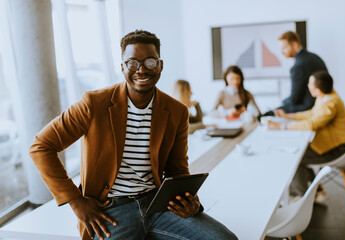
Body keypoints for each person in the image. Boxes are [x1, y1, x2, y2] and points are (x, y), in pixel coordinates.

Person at [29, 30, 237, 240]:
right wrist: (76, 201)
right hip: (110, 210)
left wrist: (191, 202)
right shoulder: (94, 104)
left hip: (158, 204)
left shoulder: (176, 111)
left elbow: (177, 168)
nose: (141, 70)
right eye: (132, 63)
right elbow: (41, 146)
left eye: (149, 62)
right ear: (122, 67)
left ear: (160, 65)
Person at [268, 71, 345, 198]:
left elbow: (313, 123)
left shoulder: (331, 102)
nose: (308, 86)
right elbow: (311, 114)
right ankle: (315, 190)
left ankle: (305, 197)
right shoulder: (326, 96)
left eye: (310, 84)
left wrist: (281, 126)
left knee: (295, 157)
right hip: (334, 144)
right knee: (300, 153)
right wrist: (288, 116)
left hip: (340, 149)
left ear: (318, 87)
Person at [264, 31, 328, 116]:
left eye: (284, 48)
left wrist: (282, 103)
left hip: (309, 108)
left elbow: (295, 98)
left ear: (294, 44)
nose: (282, 52)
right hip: (321, 103)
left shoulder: (299, 66)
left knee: (271, 113)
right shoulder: (314, 57)